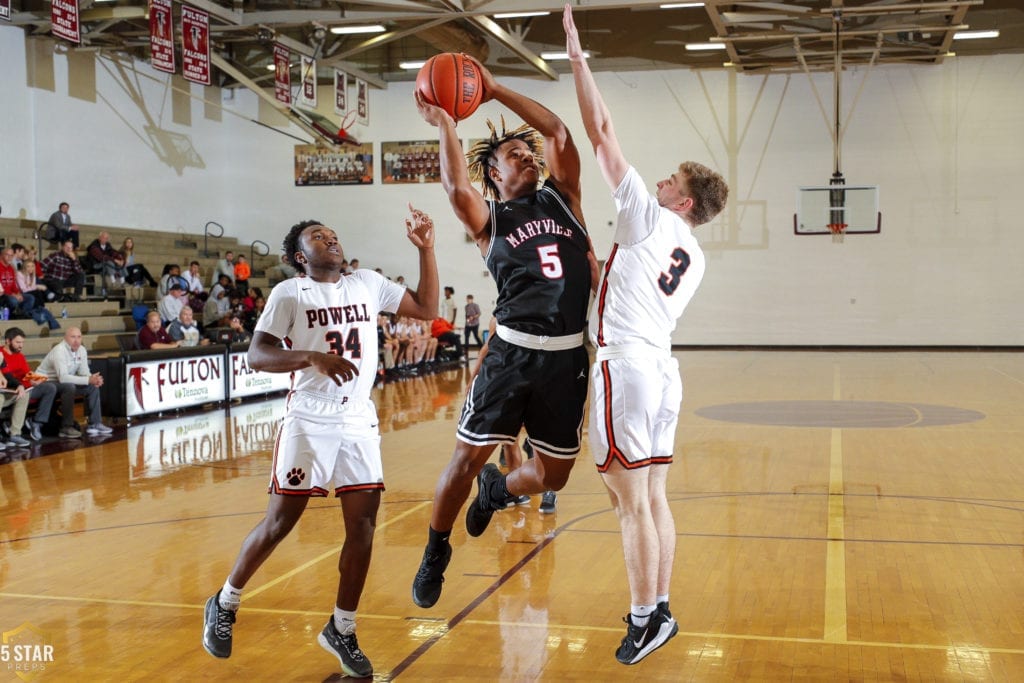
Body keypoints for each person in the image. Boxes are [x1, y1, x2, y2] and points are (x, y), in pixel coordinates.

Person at [201, 207, 438, 680]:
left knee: (364, 526)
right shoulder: (290, 292)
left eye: (332, 233)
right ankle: (224, 601)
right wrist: (311, 356)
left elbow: (428, 310)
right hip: (308, 417)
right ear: (298, 255)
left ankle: (342, 627)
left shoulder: (367, 282)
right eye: (317, 236)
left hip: (357, 418)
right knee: (279, 522)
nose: (330, 239)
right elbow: (257, 354)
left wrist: (426, 249)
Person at [562, 5, 729, 665]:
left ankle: (642, 616)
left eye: (670, 181)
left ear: (683, 201)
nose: (658, 181)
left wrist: (577, 57)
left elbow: (600, 132)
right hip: (661, 370)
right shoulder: (695, 252)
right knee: (652, 495)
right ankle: (658, 609)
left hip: (626, 367)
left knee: (629, 504)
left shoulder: (648, 216)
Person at [411, 55, 594, 609]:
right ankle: (435, 550)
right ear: (494, 173)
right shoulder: (489, 221)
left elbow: (558, 130)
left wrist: (492, 89)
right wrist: (447, 122)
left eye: (526, 151)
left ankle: (502, 487)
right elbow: (452, 187)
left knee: (555, 477)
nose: (526, 155)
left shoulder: (565, 197)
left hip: (566, 357)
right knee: (465, 461)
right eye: (513, 155)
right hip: (511, 355)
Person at [35, 327, 113, 438]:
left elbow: (84, 372)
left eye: (79, 337)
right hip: (46, 384)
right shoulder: (59, 350)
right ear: (65, 338)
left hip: (62, 383)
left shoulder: (81, 350)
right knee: (69, 387)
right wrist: (87, 379)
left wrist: (93, 379)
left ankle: (95, 423)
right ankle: (66, 427)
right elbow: (63, 378)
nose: (76, 340)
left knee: (92, 387)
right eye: (73, 337)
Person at [1, 328, 59, 445]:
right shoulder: (1, 355)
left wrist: (34, 379)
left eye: (22, 342)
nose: (21, 345)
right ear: (8, 341)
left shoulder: (20, 356)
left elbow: (25, 374)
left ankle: (29, 426)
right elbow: (8, 377)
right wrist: (23, 384)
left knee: (49, 387)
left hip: (17, 387)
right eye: (18, 342)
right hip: (6, 389)